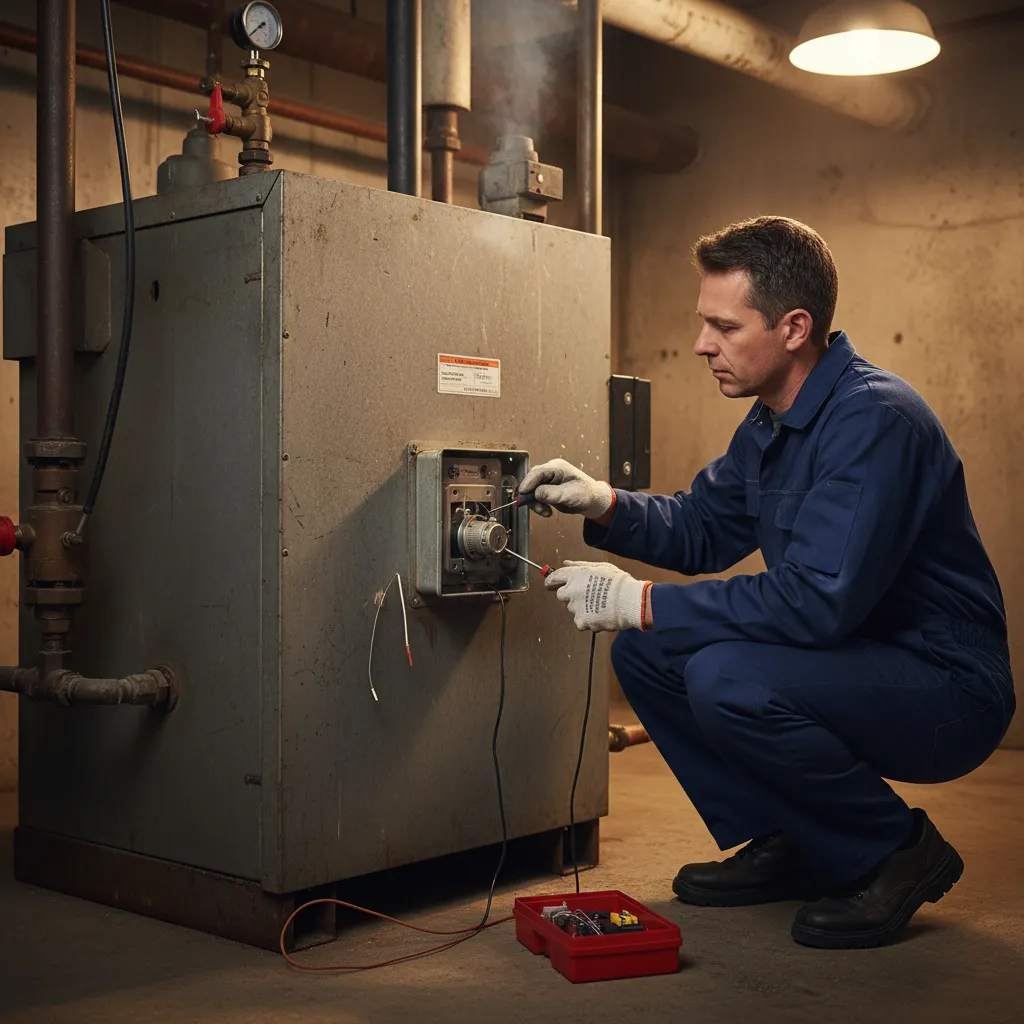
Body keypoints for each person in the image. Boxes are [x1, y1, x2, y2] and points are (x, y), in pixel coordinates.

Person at [523, 216, 1014, 950]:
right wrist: (607, 502)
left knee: (724, 673)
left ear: (793, 327)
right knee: (649, 657)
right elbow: (702, 525)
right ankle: (794, 838)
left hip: (944, 687)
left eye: (724, 326)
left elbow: (815, 601)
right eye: (703, 324)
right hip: (856, 656)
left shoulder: (876, 420)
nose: (701, 345)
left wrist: (641, 600)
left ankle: (893, 849)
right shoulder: (773, 420)